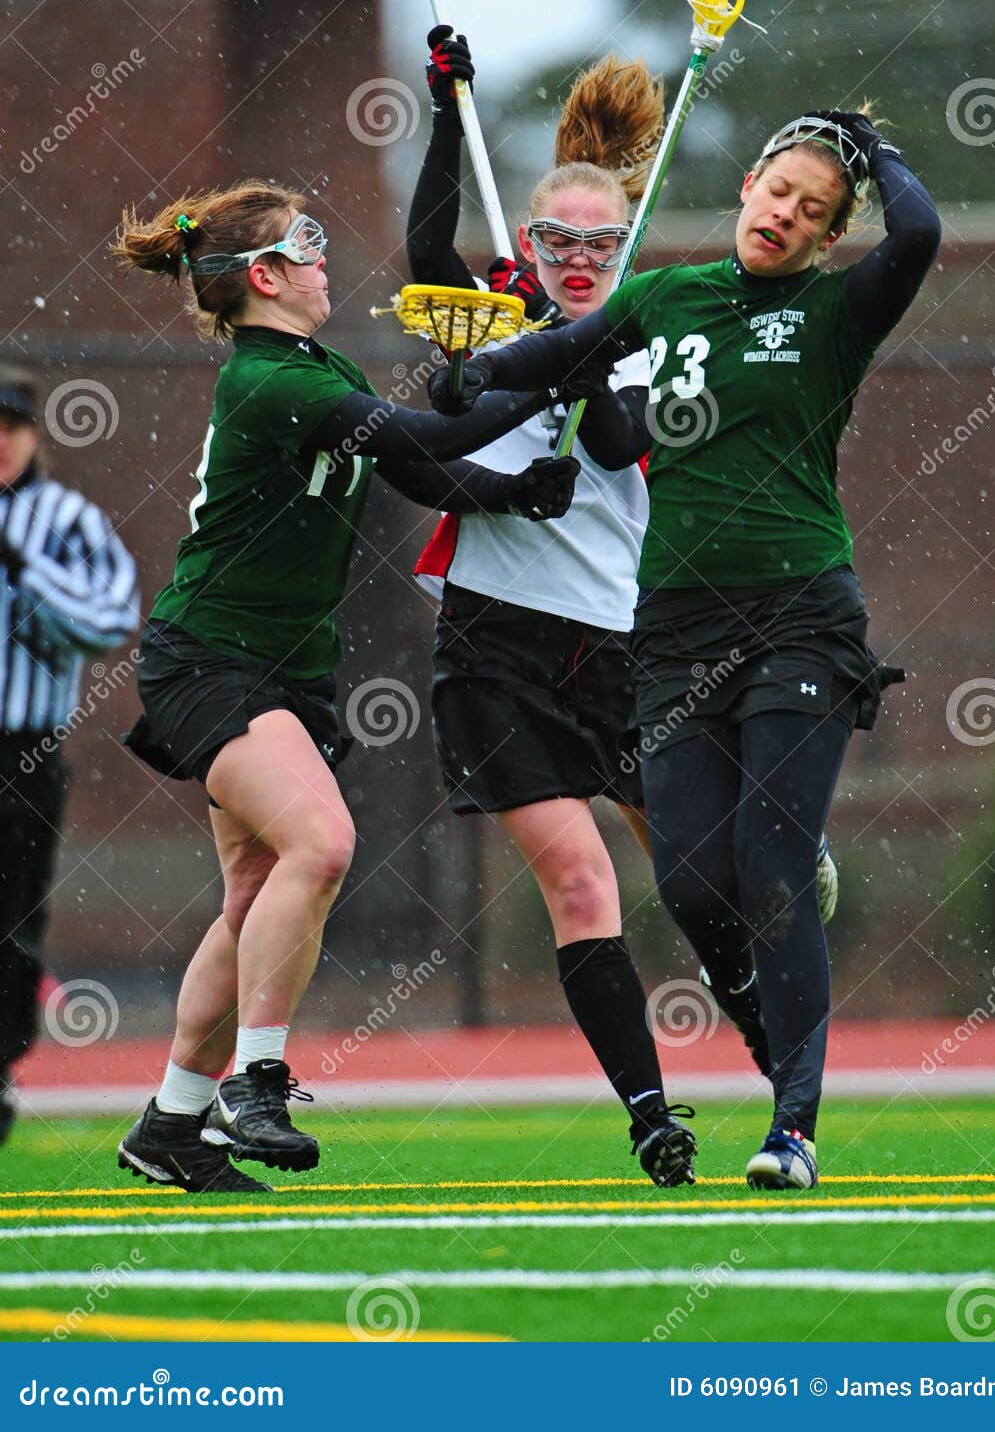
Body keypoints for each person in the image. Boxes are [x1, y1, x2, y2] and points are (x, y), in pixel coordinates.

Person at [427, 108, 941, 1190]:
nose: (786, 214)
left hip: (800, 611)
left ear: (826, 235)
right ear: (746, 184)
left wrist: (871, 151)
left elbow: (923, 235)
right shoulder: (663, 299)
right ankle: (776, 1052)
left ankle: (792, 1126)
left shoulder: (836, 309)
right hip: (672, 626)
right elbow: (559, 355)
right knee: (696, 882)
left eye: (813, 209)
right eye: (777, 191)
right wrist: (475, 379)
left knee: (771, 871)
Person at [111, 182, 579, 1192]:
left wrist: (513, 491)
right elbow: (428, 438)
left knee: (250, 898)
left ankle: (169, 1128)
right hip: (212, 655)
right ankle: (258, 1079)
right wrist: (544, 368)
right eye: (304, 245)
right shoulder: (266, 381)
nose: (326, 260)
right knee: (320, 844)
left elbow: (416, 468)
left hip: (285, 666)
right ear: (265, 278)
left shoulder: (318, 367)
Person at [407, 26, 700, 1187]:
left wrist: (578, 357)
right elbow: (429, 251)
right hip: (498, 633)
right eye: (561, 241)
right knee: (585, 880)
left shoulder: (638, 322)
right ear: (531, 240)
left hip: (617, 635)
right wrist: (445, 109)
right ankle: (650, 1115)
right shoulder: (496, 303)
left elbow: (628, 441)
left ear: (623, 243)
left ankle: (789, 1074)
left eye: (602, 242)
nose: (582, 258)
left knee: (699, 868)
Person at [0, 363, 139, 1145]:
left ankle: (0, 1064)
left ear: (33, 435)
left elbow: (106, 617)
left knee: (12, 919)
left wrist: (25, 571)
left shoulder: (64, 521)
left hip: (21, 750)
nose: (0, 444)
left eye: (11, 427)